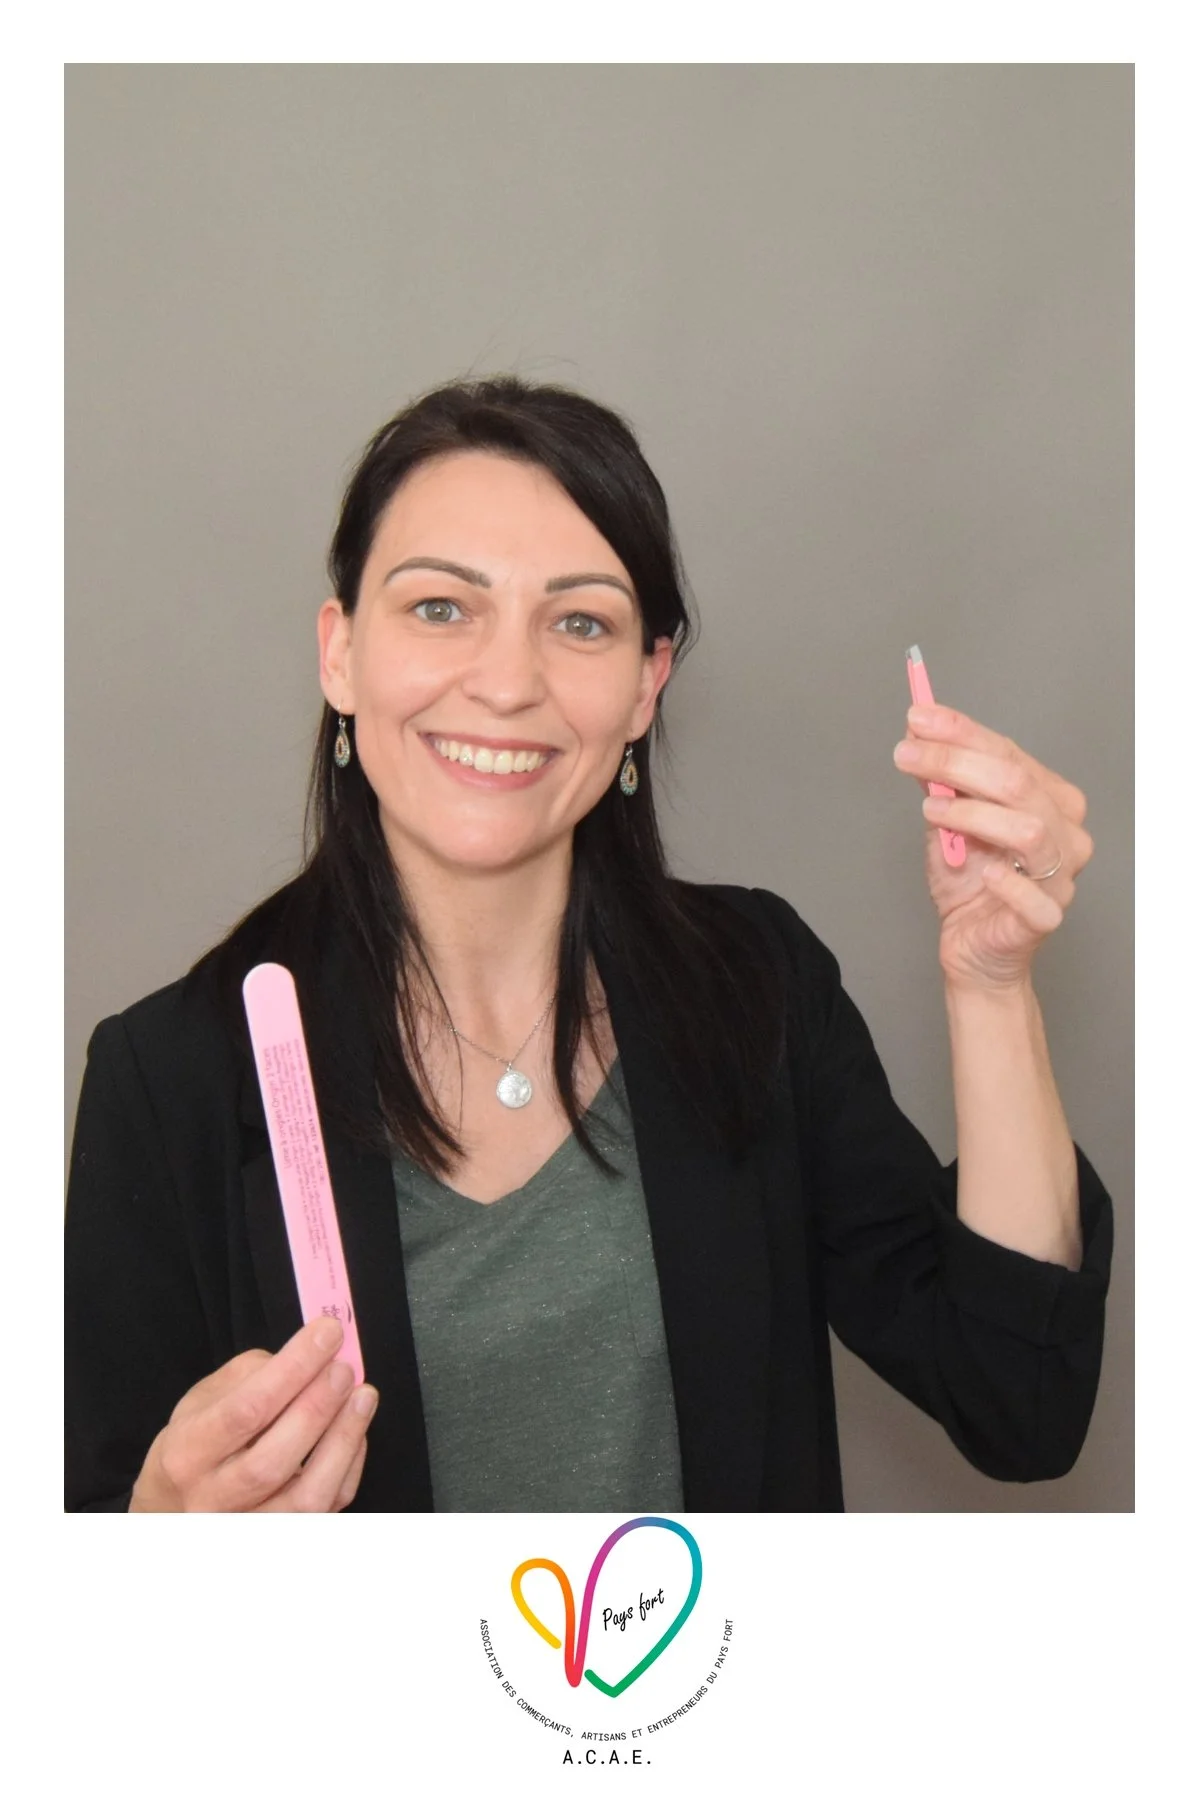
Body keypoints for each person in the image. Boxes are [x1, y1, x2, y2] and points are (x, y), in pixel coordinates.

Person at [64, 377, 1114, 1513]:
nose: (508, 683)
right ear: (340, 652)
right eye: (439, 608)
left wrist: (992, 981)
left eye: (580, 623)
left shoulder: (754, 988)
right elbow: (89, 1569)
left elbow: (1018, 1400)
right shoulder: (171, 1077)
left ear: (646, 685)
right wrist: (153, 1535)